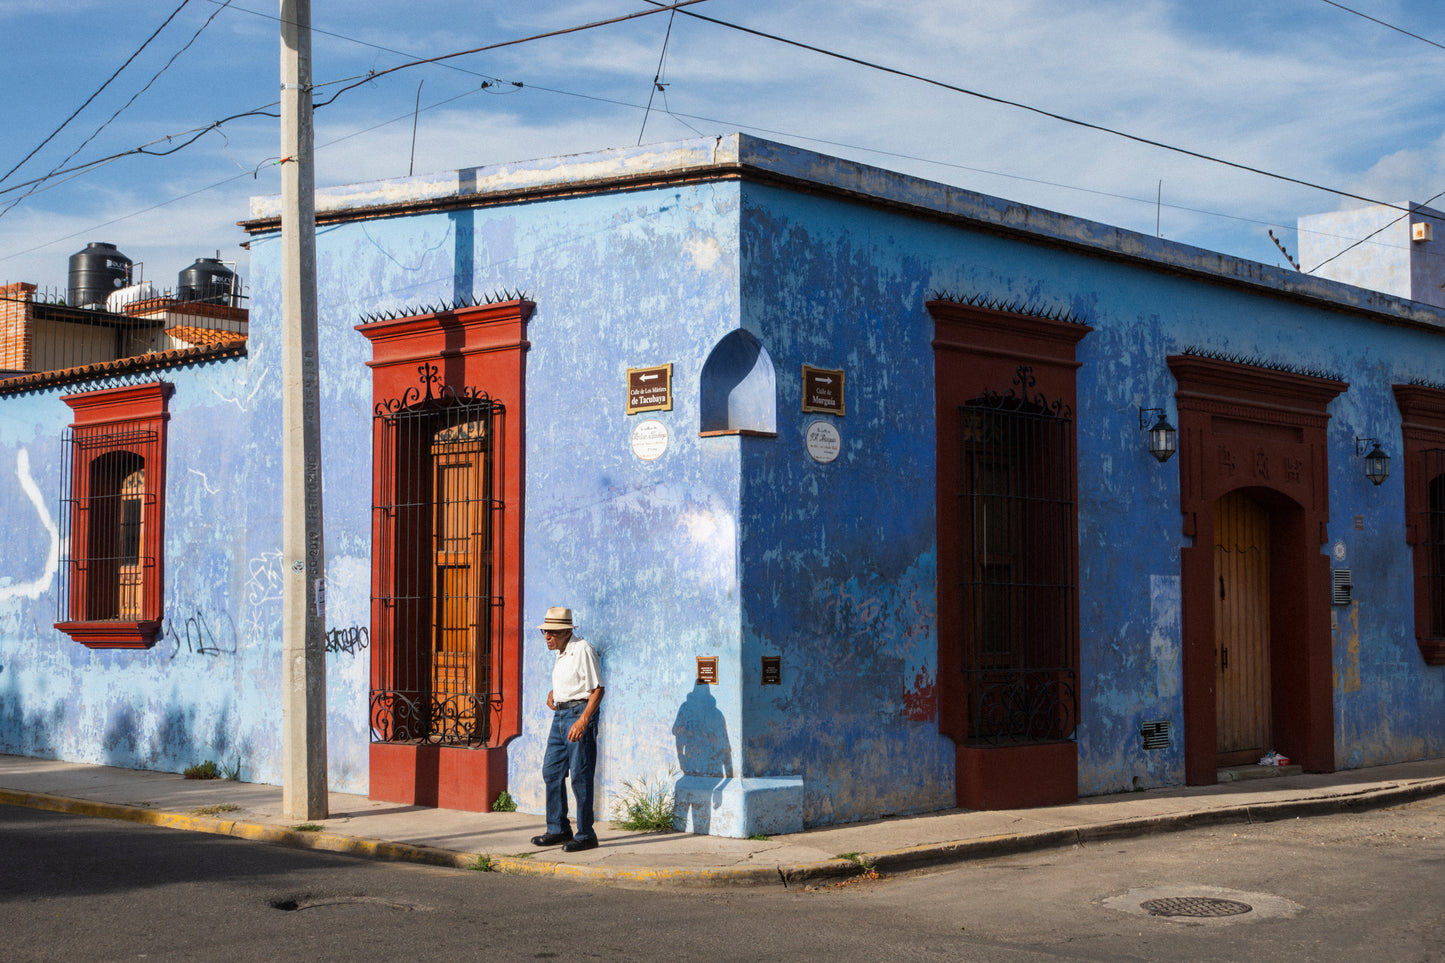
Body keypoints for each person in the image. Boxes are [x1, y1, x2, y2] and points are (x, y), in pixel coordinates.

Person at [530, 606, 604, 853]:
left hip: (578, 715)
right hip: (560, 716)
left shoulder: (582, 649)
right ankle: (558, 828)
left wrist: (583, 721)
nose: (547, 637)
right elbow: (573, 682)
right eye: (545, 633)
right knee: (551, 771)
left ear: (565, 632)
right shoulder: (561, 653)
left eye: (551, 633)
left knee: (581, 776)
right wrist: (555, 694)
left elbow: (597, 689)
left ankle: (586, 834)